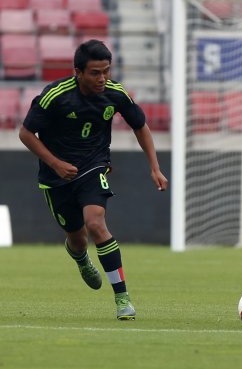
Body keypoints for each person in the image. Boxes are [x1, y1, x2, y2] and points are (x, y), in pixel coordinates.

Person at [19, 39, 168, 321]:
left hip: (93, 166)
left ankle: (122, 298)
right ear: (78, 72)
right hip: (56, 175)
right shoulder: (55, 95)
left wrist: (155, 168)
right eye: (95, 73)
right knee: (77, 238)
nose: (102, 79)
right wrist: (56, 163)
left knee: (96, 223)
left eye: (106, 71)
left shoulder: (115, 93)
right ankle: (80, 257)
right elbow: (26, 133)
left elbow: (141, 126)